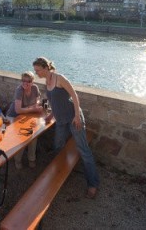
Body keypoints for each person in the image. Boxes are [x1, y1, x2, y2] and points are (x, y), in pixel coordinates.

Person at [33, 57, 100, 199]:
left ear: (45, 68)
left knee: (84, 150)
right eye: (35, 70)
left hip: (73, 118)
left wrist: (77, 116)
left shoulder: (60, 78)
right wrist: (51, 117)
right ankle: (59, 176)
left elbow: (74, 96)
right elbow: (53, 102)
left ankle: (92, 184)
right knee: (58, 147)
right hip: (61, 120)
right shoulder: (46, 81)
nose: (36, 73)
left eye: (38, 70)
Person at [7, 71, 43, 169]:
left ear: (33, 82)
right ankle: (17, 160)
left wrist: (36, 106)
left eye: (29, 81)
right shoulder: (19, 90)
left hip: (26, 115)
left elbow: (38, 100)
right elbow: (18, 110)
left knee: (33, 135)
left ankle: (32, 158)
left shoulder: (35, 88)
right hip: (13, 117)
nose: (25, 83)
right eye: (23, 80)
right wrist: (33, 108)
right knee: (21, 136)